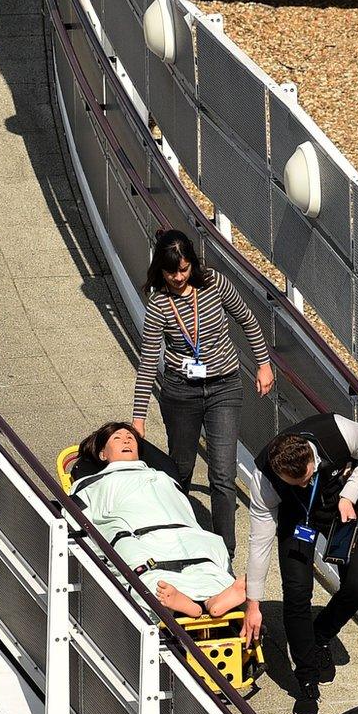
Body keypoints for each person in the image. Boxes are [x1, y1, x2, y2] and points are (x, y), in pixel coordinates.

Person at [132, 230, 274, 561]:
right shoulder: (159, 304)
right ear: (160, 271)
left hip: (224, 386)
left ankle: (225, 553)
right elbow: (148, 360)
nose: (178, 278)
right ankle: (177, 537)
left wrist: (264, 364)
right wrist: (138, 418)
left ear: (192, 264)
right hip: (181, 393)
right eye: (170, 273)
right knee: (179, 470)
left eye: (182, 270)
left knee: (222, 474)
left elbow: (248, 320)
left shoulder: (215, 283)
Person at [242, 413, 358, 714]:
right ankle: (306, 682)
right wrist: (253, 602)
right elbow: (259, 541)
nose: (305, 484)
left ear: (311, 456)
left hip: (342, 506)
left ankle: (319, 634)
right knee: (296, 594)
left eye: (308, 476)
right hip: (297, 520)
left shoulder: (340, 431)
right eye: (298, 483)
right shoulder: (264, 477)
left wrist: (349, 495)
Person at [71, 422, 245, 618]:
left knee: (205, 556)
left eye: (130, 438)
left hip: (180, 532)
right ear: (103, 454)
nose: (126, 440)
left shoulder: (162, 477)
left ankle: (212, 601)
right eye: (117, 438)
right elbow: (75, 515)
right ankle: (185, 602)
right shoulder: (92, 483)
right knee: (141, 565)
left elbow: (182, 509)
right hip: (137, 535)